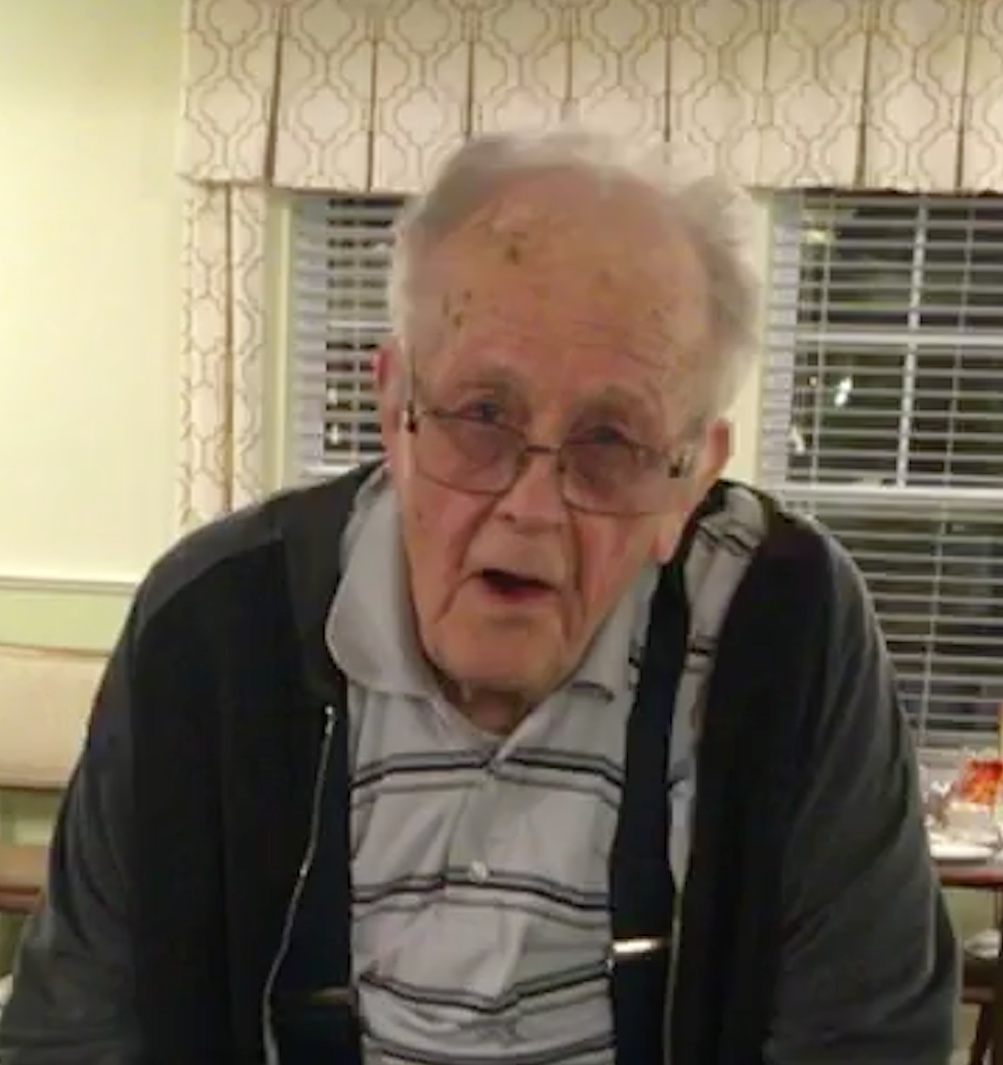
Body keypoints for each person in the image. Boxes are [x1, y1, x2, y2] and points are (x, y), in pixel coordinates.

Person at [0, 129, 956, 1065]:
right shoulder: (209, 624)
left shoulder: (786, 626)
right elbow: (76, 1030)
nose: (530, 507)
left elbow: (868, 1040)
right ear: (394, 411)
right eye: (482, 415)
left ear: (687, 480)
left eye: (610, 440)